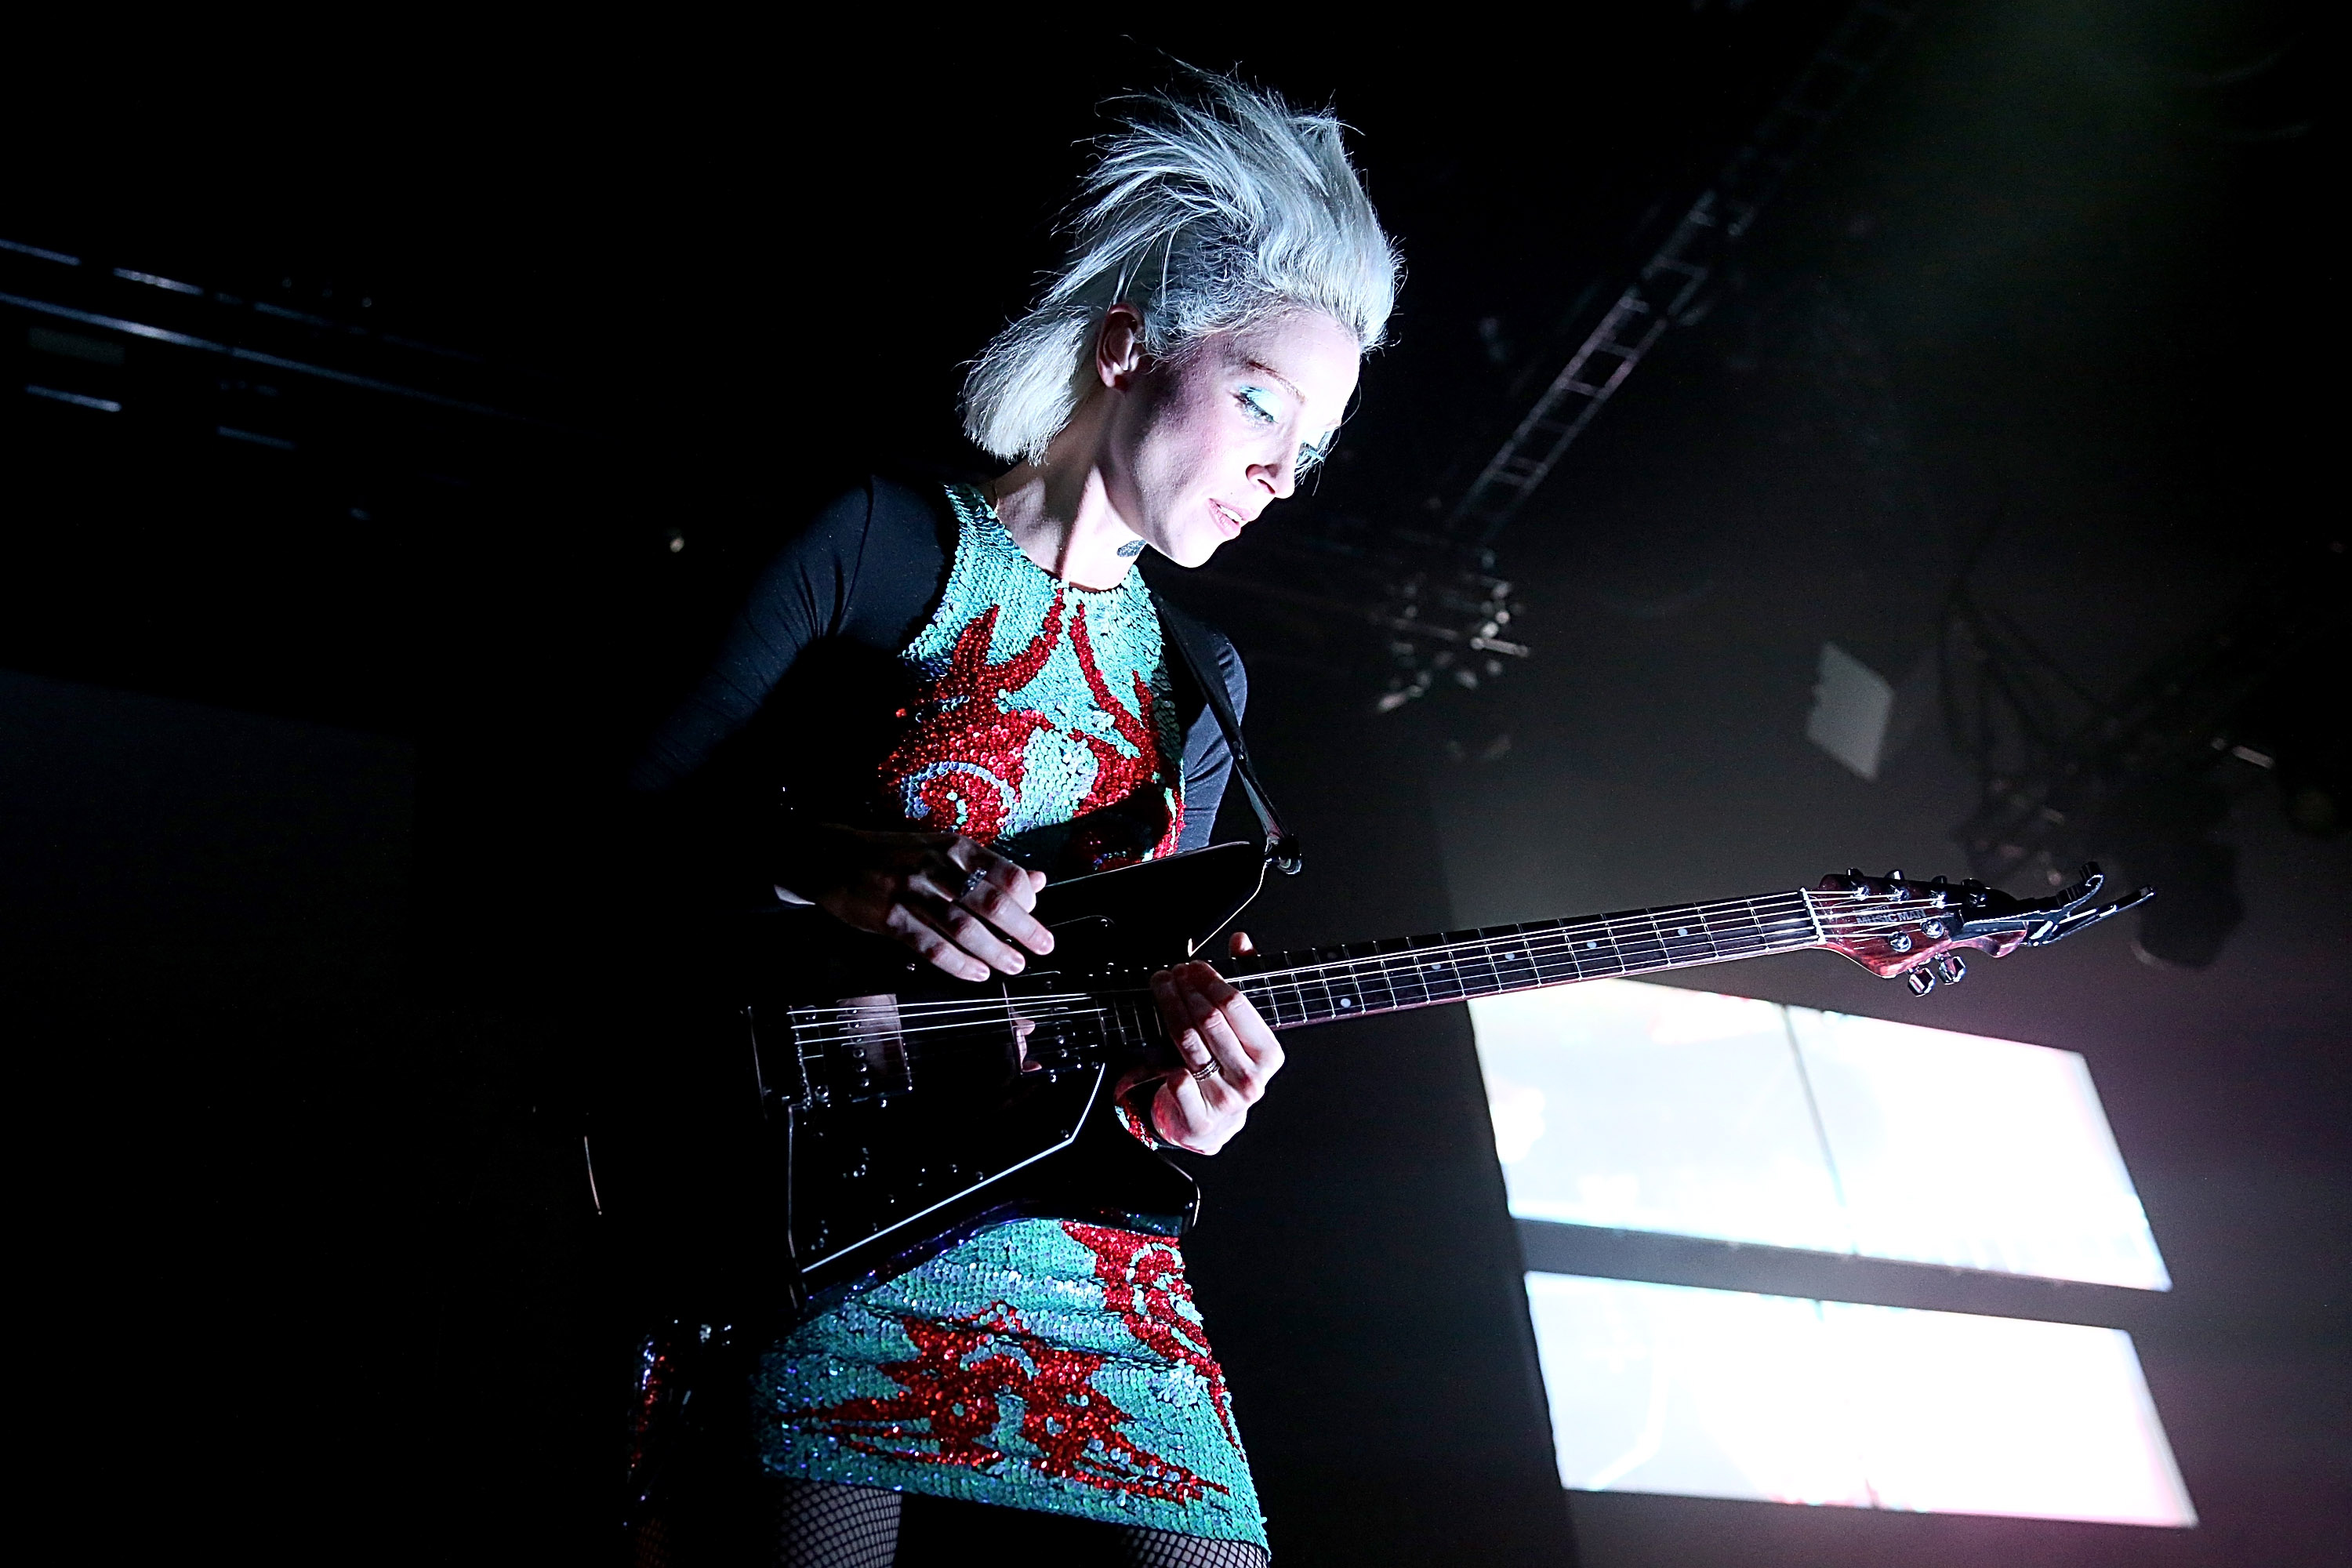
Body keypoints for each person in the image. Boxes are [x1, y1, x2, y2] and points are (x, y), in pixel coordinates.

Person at [623, 67, 1399, 1566]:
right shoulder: (879, 539)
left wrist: (1186, 1105)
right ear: (1128, 345)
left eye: (1312, 447)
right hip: (821, 1209)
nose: (1280, 474)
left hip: (1082, 1239)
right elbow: (605, 836)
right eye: (1262, 404)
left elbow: (1121, 1020)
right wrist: (834, 868)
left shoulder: (1206, 681)